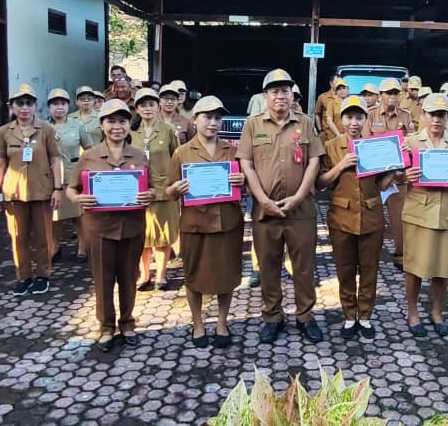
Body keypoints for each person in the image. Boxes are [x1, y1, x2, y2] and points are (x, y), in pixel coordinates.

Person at [237, 68, 325, 343]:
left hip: (301, 209)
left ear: (292, 95)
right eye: (274, 91)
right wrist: (262, 200)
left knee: (304, 266)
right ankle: (272, 315)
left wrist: (298, 196)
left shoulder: (305, 123)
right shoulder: (253, 125)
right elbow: (246, 164)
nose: (280, 96)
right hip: (265, 210)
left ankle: (305, 316)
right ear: (265, 96)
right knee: (268, 265)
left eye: (285, 91)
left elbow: (314, 161)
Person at [66, 100, 154, 351]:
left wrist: (150, 194)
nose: (117, 127)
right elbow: (72, 189)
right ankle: (106, 327)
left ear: (129, 125)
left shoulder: (139, 155)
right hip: (99, 228)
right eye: (111, 121)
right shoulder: (90, 156)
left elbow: (153, 187)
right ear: (102, 125)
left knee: (129, 278)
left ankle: (127, 323)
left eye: (122, 121)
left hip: (132, 227)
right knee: (103, 281)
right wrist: (79, 199)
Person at [166, 96, 246, 347]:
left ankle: (222, 322)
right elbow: (168, 189)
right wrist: (176, 188)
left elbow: (244, 184)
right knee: (194, 275)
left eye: (217, 118)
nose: (213, 123)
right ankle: (198, 323)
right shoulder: (182, 152)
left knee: (227, 275)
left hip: (227, 223)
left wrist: (241, 181)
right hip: (195, 224)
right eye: (208, 117)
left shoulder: (233, 150)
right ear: (195, 120)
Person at [316, 96, 394, 339]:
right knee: (345, 269)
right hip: (341, 217)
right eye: (349, 117)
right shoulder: (329, 146)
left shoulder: (375, 145)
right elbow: (319, 183)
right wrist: (340, 166)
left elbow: (382, 185)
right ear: (341, 120)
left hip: (371, 216)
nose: (354, 123)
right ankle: (349, 316)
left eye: (359, 117)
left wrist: (393, 166)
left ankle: (366, 316)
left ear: (365, 119)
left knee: (370, 269)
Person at [402, 94, 448, 337]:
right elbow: (395, 177)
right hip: (418, 211)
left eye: (441, 114)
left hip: (447, 210)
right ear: (423, 115)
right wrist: (406, 177)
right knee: (413, 265)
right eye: (431, 114)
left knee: (443, 267)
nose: (436, 119)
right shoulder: (410, 143)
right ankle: (412, 311)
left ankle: (436, 311)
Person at [0, 84, 63, 296]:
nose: (24, 108)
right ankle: (23, 276)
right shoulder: (4, 132)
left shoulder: (46, 130)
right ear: (11, 106)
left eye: (29, 103)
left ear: (35, 106)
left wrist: (58, 188)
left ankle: (43, 274)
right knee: (18, 237)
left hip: (42, 191)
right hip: (14, 193)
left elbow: (55, 160)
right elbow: (0, 164)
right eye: (19, 103)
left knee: (43, 237)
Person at [129, 88, 180, 290]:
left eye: (151, 104)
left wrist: (175, 185)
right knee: (142, 236)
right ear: (137, 108)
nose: (147, 108)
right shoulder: (131, 130)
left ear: (157, 106)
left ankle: (161, 275)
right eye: (143, 105)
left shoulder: (167, 129)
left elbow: (177, 156)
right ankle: (144, 274)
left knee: (162, 235)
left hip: (163, 190)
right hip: (138, 191)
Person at [363, 78, 416, 268]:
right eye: (388, 93)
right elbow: (365, 142)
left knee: (399, 218)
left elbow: (411, 142)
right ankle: (370, 255)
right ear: (381, 95)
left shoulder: (406, 116)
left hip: (397, 176)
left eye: (395, 92)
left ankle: (400, 255)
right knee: (372, 217)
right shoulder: (370, 115)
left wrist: (407, 146)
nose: (392, 96)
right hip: (375, 176)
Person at [47, 88, 93, 263]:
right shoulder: (44, 127)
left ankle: (83, 248)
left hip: (74, 175)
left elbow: (89, 149)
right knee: (53, 217)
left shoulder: (78, 126)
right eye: (55, 104)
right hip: (51, 177)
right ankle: (54, 247)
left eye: (63, 104)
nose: (59, 108)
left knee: (79, 216)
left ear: (68, 106)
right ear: (49, 107)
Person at [323, 77, 350, 142]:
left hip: (349, 136)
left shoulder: (352, 102)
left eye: (344, 88)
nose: (342, 91)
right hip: (334, 136)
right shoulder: (331, 104)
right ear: (336, 92)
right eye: (339, 89)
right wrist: (338, 135)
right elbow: (329, 121)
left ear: (348, 89)